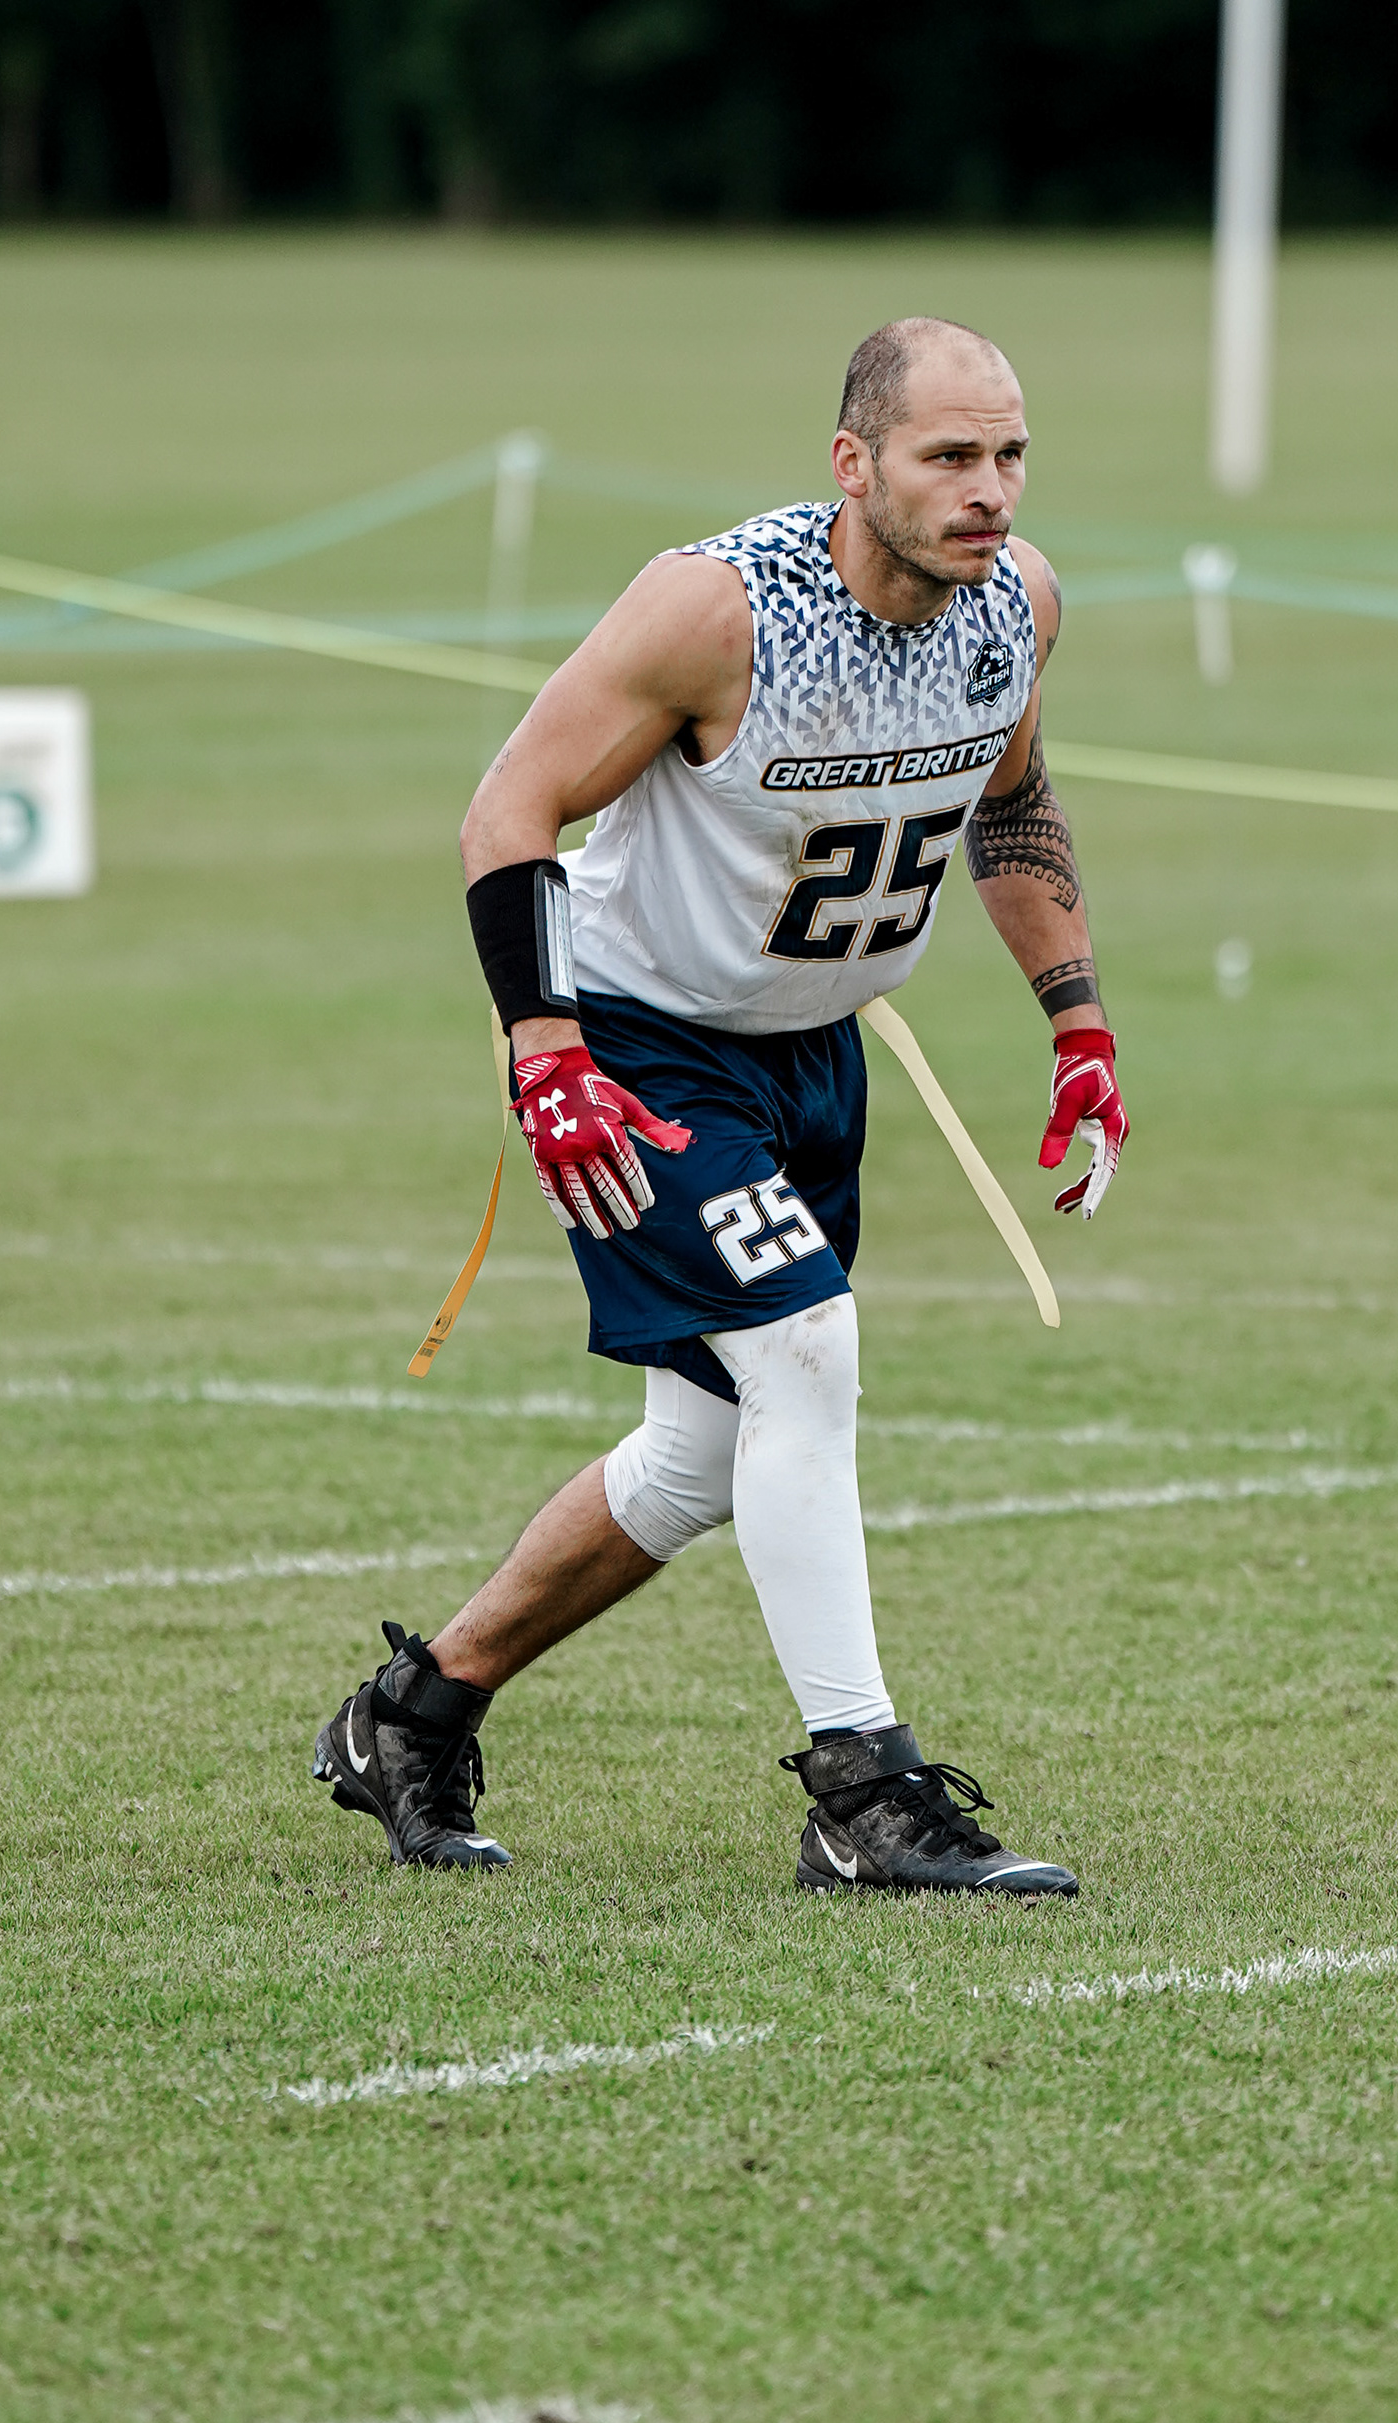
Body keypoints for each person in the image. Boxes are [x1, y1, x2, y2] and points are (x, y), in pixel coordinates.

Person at [313, 316, 1130, 1896]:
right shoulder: (720, 610)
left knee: (700, 1453)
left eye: (1010, 454)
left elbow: (1013, 795)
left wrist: (1077, 1018)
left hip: (810, 1054)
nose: (989, 489)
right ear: (853, 463)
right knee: (806, 1355)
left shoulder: (1015, 605)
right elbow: (508, 809)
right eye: (949, 455)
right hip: (639, 1048)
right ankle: (864, 1794)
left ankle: (413, 1712)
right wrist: (544, 1047)